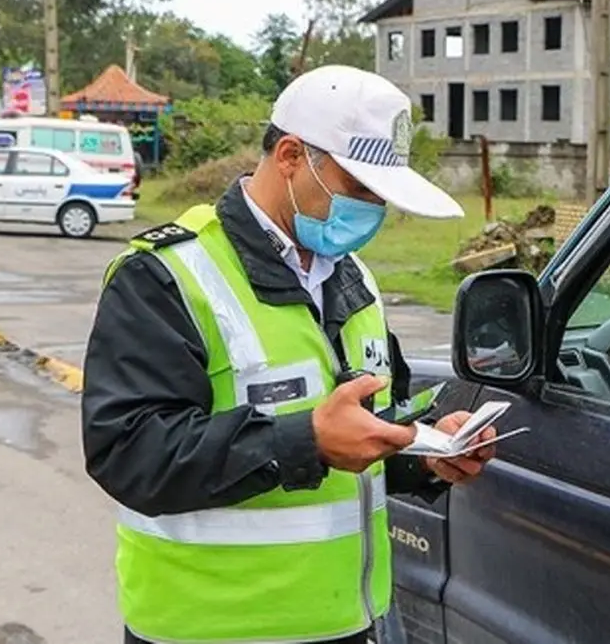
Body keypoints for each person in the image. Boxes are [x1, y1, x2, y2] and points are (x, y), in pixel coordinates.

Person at [81, 65, 497, 644]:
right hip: (211, 631)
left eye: (382, 196)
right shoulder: (166, 276)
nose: (372, 210)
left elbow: (370, 428)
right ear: (291, 155)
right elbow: (128, 452)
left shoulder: (353, 281)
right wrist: (306, 441)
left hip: (349, 624)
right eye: (358, 189)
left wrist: (425, 449)